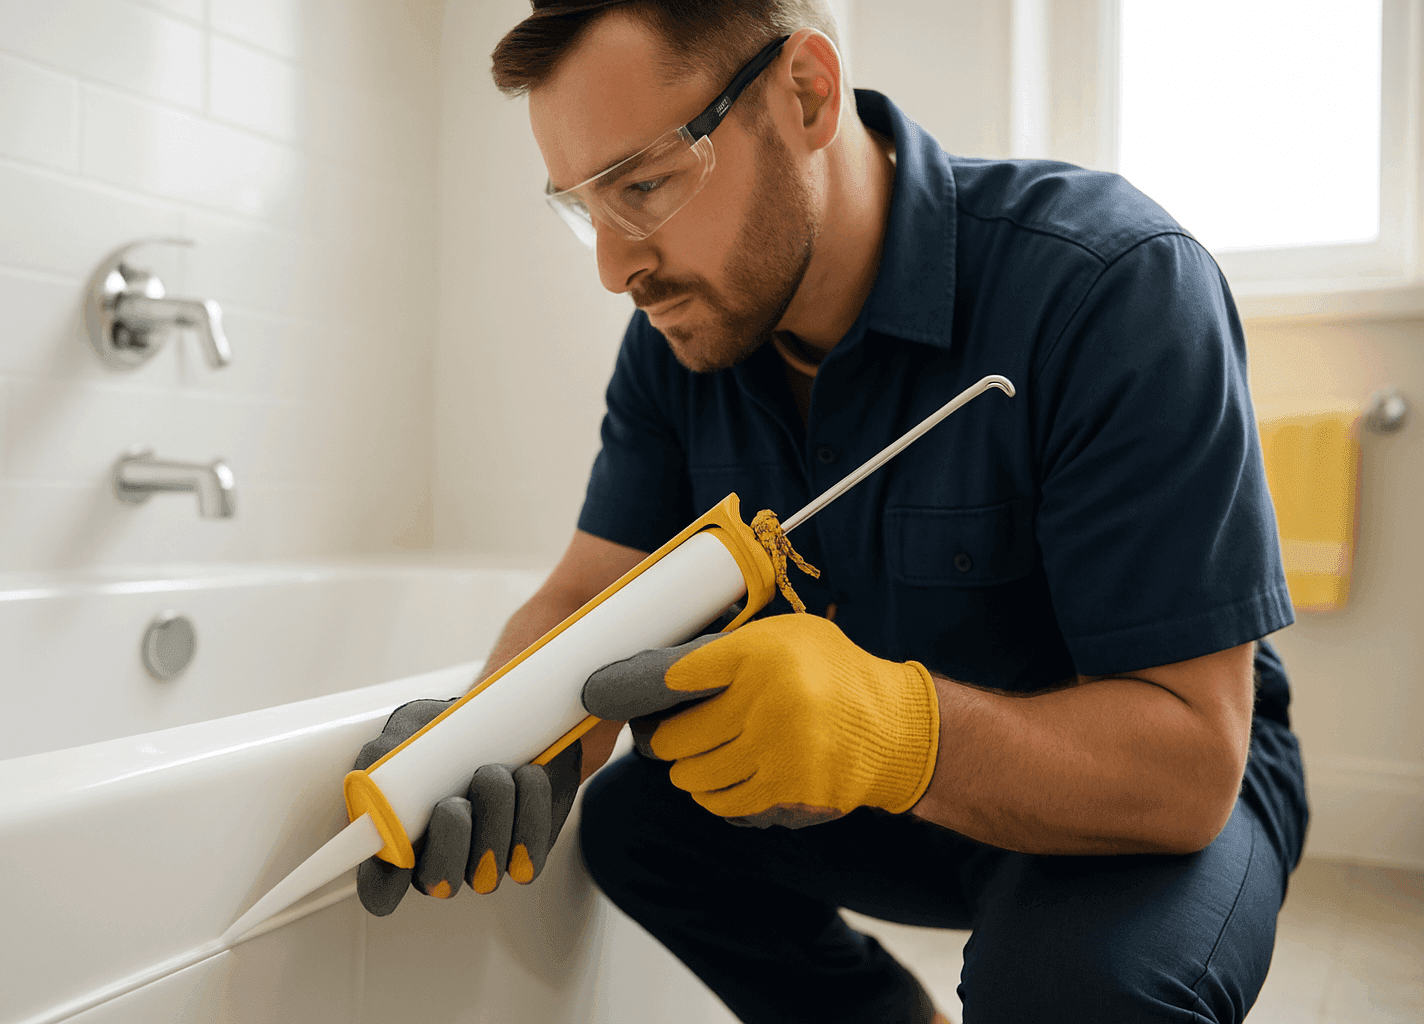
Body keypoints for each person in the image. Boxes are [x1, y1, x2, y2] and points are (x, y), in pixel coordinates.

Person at [351, 2, 1309, 1021]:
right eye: (587, 207)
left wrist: (897, 732)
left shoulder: (1110, 285)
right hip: (892, 803)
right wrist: (487, 731)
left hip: (1135, 801)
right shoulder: (683, 342)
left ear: (806, 92)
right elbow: (587, 595)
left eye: (643, 185)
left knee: (1076, 995)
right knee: (638, 823)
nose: (615, 269)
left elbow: (1190, 765)